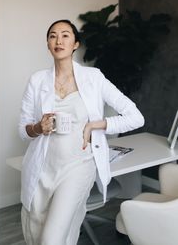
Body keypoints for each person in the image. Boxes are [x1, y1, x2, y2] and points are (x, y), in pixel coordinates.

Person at [18, 19, 144, 245]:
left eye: (65, 35)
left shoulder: (93, 77)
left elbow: (135, 117)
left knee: (50, 240)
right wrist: (38, 127)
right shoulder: (37, 81)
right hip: (41, 169)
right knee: (37, 234)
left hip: (78, 167)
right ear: (48, 44)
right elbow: (23, 129)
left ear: (75, 44)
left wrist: (97, 124)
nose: (58, 40)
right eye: (53, 35)